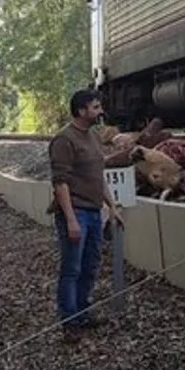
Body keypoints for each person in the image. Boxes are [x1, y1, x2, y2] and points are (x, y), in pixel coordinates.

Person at [47, 89, 128, 337]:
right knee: (72, 267)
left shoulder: (92, 137)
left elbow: (98, 175)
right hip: (76, 211)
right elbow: (60, 183)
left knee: (91, 264)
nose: (100, 111)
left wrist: (112, 207)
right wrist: (71, 220)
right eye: (95, 107)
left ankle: (83, 311)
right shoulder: (64, 140)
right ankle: (69, 320)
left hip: (94, 212)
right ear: (81, 111)